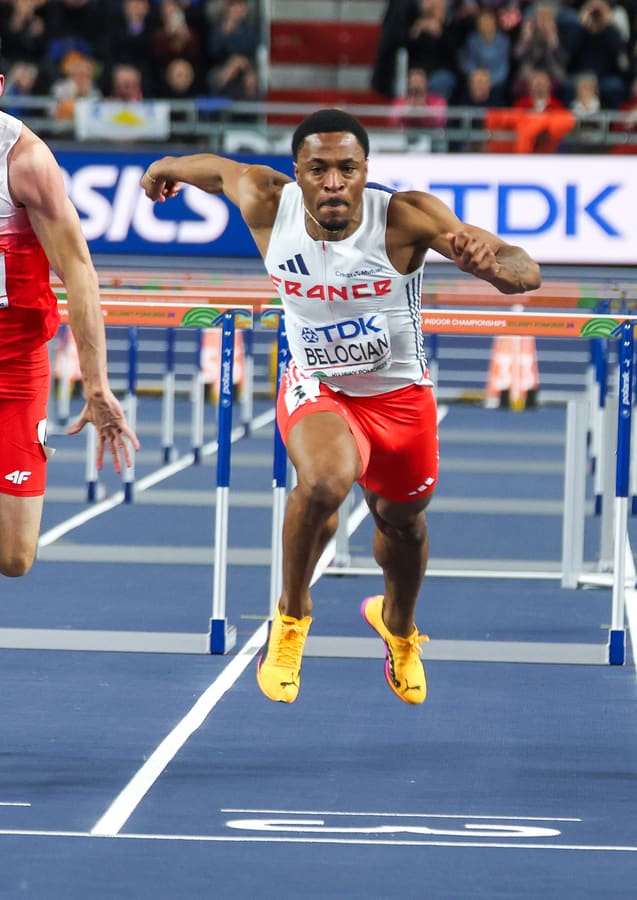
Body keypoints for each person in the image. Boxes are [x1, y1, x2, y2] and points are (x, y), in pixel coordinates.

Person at [141, 108, 541, 705]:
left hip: (401, 396)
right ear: (296, 174)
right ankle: (292, 617)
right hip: (318, 386)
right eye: (319, 169)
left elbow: (522, 269)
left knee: (401, 523)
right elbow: (216, 172)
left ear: (365, 171)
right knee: (325, 481)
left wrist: (497, 271)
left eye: (347, 169)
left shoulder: (405, 216)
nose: (334, 183)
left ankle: (399, 627)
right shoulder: (266, 202)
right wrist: (163, 168)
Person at [0, 60, 139, 579]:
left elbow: (79, 272)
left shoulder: (25, 161)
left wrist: (96, 386)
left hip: (14, 368)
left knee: (14, 557)